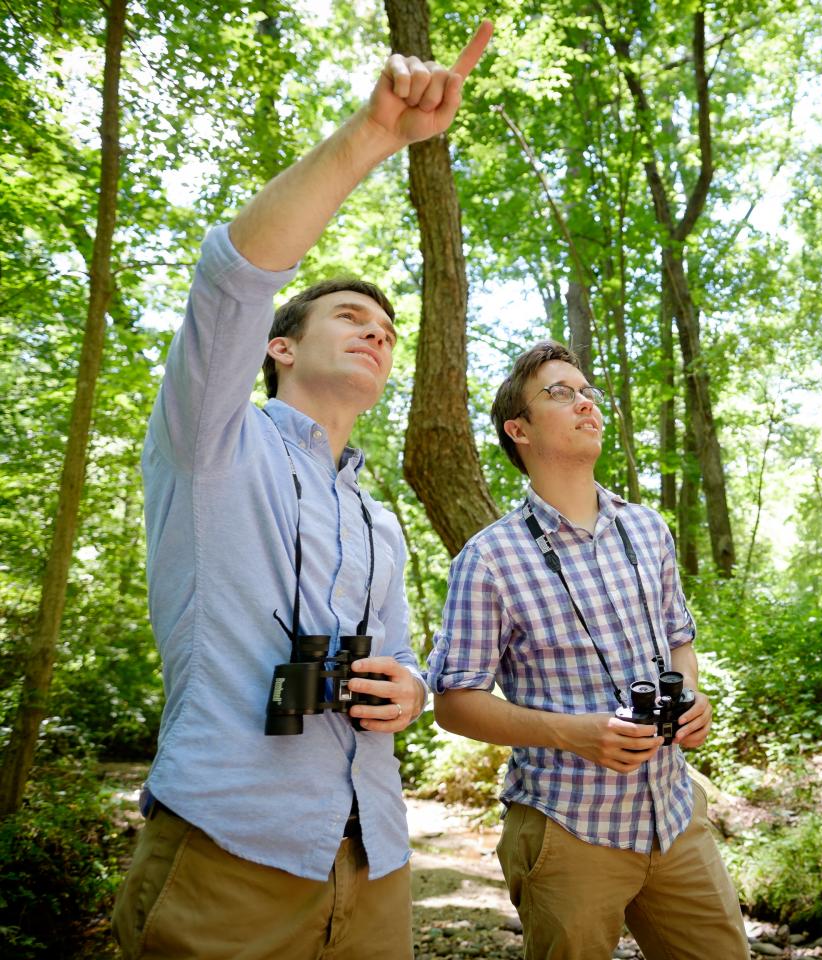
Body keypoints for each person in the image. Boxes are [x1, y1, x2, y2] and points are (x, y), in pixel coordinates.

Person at [110, 23, 494, 960]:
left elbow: (402, 663)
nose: (376, 334)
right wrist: (373, 138)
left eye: (388, 331)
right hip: (227, 852)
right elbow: (233, 279)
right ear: (279, 348)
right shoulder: (212, 446)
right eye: (350, 317)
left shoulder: (378, 521)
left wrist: (406, 689)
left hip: (377, 860)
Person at [427, 341, 749, 960]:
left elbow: (678, 640)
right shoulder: (488, 559)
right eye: (560, 393)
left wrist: (692, 696)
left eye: (588, 392)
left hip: (675, 813)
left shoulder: (648, 528)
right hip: (566, 827)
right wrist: (578, 733)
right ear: (517, 430)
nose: (586, 404)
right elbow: (455, 704)